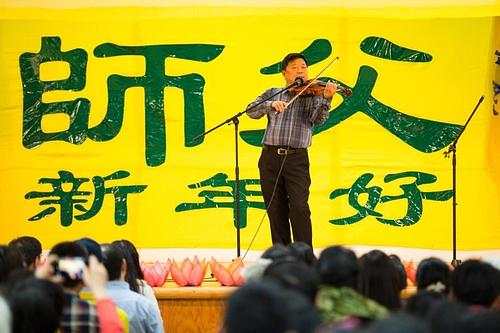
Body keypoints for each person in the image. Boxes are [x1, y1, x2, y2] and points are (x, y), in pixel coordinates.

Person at [246, 52, 336, 247]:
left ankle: (304, 256)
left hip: (296, 160)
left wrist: (327, 99)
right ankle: (282, 255)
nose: (301, 70)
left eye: (304, 67)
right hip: (270, 157)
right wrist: (271, 105)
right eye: (295, 67)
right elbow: (251, 111)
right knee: (275, 209)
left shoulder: (313, 95)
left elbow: (317, 120)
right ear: (284, 72)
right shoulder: (273, 92)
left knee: (299, 208)